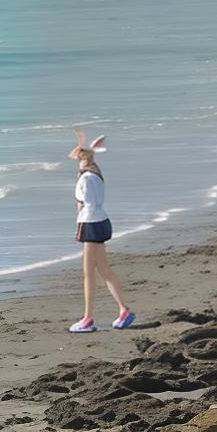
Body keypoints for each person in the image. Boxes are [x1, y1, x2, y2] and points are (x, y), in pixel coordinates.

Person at [67, 131, 134, 333]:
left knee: (89, 273)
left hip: (91, 223)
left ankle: (88, 318)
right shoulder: (96, 172)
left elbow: (87, 203)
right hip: (99, 221)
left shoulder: (86, 178)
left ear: (82, 158)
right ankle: (123, 310)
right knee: (103, 270)